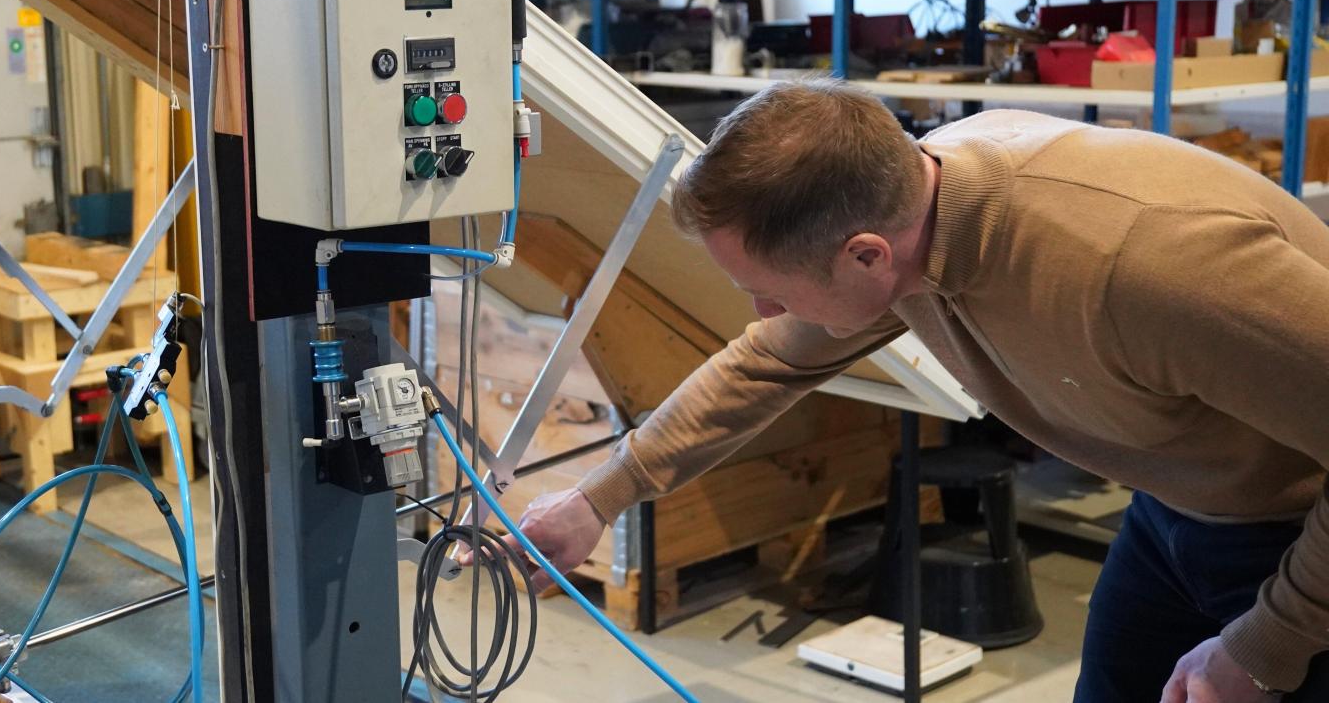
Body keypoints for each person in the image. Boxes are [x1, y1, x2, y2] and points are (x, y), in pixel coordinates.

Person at [477, 79, 1329, 702]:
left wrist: (1266, 646)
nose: (763, 312)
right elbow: (768, 360)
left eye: (769, 290)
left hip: (1300, 533)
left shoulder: (1147, 266)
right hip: (1175, 508)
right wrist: (600, 499)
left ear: (866, 256)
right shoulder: (909, 209)